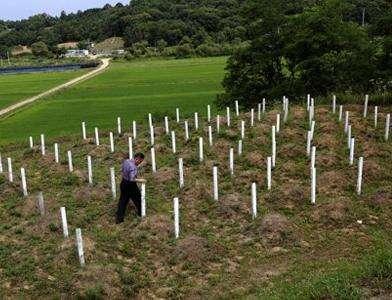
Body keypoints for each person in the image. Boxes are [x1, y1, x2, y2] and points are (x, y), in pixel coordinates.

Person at [116, 152, 146, 223]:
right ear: (137, 159)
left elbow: (122, 170)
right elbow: (132, 179)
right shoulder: (133, 167)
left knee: (122, 201)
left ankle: (119, 219)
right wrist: (141, 180)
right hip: (130, 185)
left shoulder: (126, 161)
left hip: (123, 183)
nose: (140, 163)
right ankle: (141, 214)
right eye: (140, 161)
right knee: (138, 199)